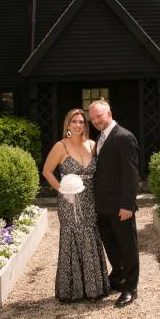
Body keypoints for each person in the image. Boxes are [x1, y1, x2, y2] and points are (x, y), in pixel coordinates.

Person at [42, 108, 110, 302]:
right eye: (74, 122)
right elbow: (47, 171)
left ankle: (94, 288)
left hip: (90, 198)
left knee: (90, 236)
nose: (78, 125)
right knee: (73, 237)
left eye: (81, 122)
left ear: (85, 125)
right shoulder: (60, 146)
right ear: (68, 125)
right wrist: (62, 190)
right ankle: (72, 290)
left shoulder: (92, 145)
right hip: (69, 201)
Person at [88, 100, 140, 307]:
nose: (96, 121)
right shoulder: (100, 138)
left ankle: (131, 288)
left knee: (128, 246)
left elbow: (131, 174)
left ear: (109, 113)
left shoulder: (125, 137)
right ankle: (119, 277)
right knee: (111, 244)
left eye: (99, 116)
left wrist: (127, 205)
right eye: (92, 118)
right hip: (102, 206)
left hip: (121, 206)